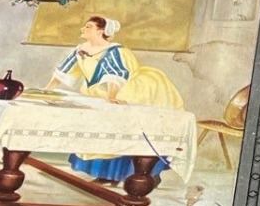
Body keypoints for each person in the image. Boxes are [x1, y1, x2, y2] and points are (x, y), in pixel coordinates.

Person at [46, 14, 185, 184]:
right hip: (98, 93)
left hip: (127, 90)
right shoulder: (80, 49)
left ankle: (145, 173)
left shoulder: (115, 51)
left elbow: (115, 75)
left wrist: (112, 96)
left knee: (126, 129)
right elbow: (63, 71)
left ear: (101, 31)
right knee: (100, 130)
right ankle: (106, 175)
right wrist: (47, 90)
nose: (83, 29)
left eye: (88, 26)